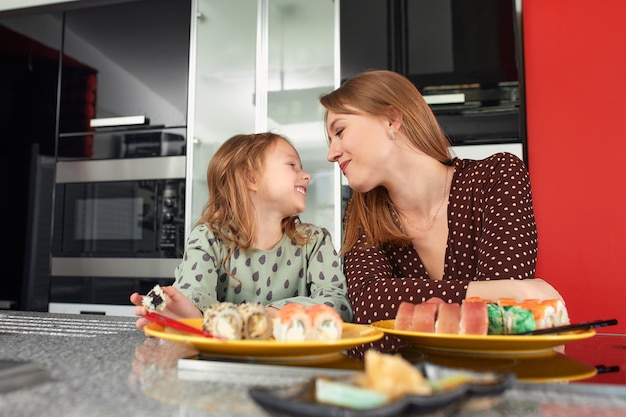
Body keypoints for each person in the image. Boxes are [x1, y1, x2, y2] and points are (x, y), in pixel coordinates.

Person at [319, 70, 563, 351]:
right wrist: (501, 293)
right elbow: (371, 305)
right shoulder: (361, 214)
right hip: (398, 387)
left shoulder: (497, 176)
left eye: (340, 131)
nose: (331, 153)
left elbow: (500, 319)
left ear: (391, 119)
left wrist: (501, 296)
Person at [130, 132, 353, 329]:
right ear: (251, 178)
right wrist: (181, 311)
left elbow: (338, 304)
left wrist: (270, 314)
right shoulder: (208, 239)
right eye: (292, 165)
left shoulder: (314, 241)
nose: (306, 176)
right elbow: (194, 294)